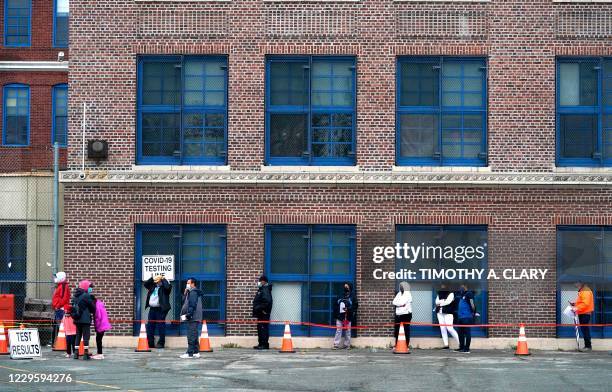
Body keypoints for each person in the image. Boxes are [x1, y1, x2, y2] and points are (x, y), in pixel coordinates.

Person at [144, 275, 172, 349]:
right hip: (152, 309)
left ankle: (161, 343)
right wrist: (152, 278)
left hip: (161, 309)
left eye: (158, 281)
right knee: (150, 326)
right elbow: (145, 284)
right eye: (156, 282)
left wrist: (163, 279)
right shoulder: (153, 287)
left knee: (161, 326)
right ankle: (150, 343)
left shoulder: (164, 289)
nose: (156, 283)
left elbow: (168, 287)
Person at [71, 280, 96, 360]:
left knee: (78, 335)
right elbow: (93, 308)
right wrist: (93, 301)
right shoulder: (86, 296)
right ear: (86, 287)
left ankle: (76, 353)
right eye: (89, 287)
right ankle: (85, 353)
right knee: (86, 336)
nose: (90, 289)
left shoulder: (75, 296)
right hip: (85, 319)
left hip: (77, 319)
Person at [179, 278, 203, 359]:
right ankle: (196, 352)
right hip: (194, 316)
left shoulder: (193, 292)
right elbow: (183, 302)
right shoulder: (190, 292)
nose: (187, 284)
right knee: (194, 334)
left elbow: (192, 305)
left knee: (191, 335)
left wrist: (189, 314)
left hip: (193, 316)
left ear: (193, 284)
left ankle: (190, 353)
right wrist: (185, 293)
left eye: (188, 283)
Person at [333, 282, 358, 350]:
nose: (346, 288)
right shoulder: (340, 295)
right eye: (345, 287)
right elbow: (335, 305)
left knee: (348, 331)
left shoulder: (353, 297)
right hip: (339, 316)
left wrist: (349, 309)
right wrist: (336, 315)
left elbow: (355, 306)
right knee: (338, 330)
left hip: (348, 317)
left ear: (350, 287)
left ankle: (347, 345)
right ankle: (336, 344)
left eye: (347, 287)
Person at [570, 281, 594, 351]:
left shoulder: (585, 291)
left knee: (585, 330)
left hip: (585, 313)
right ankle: (587, 346)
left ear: (580, 283)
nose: (574, 284)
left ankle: (588, 346)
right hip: (583, 313)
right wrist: (574, 304)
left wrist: (576, 308)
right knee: (584, 330)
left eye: (575, 283)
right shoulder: (583, 290)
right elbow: (582, 302)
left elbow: (585, 304)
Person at [435, 283, 459, 349]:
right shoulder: (439, 293)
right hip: (439, 313)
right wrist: (442, 301)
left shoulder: (451, 293)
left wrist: (440, 303)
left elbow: (448, 302)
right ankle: (446, 345)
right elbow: (436, 302)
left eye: (443, 285)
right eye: (441, 285)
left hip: (448, 313)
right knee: (442, 329)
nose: (442, 287)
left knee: (450, 328)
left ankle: (460, 343)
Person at [455, 284, 478, 353]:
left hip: (467, 317)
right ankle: (461, 347)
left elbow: (472, 304)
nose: (461, 288)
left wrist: (473, 312)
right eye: (460, 286)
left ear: (466, 286)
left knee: (467, 332)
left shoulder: (469, 294)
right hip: (460, 317)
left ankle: (467, 348)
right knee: (460, 333)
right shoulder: (462, 295)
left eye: (462, 286)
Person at [252, 275, 273, 350]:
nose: (259, 282)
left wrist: (259, 308)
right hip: (261, 313)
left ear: (263, 281)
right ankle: (261, 343)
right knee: (261, 328)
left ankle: (264, 344)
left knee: (263, 328)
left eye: (260, 281)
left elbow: (267, 301)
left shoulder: (265, 289)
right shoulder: (262, 289)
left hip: (263, 313)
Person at [51, 272, 71, 346]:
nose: (55, 278)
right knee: (57, 326)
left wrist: (57, 306)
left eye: (56, 277)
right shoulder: (61, 286)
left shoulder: (63, 286)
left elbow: (64, 299)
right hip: (59, 309)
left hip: (61, 309)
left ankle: (61, 344)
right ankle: (57, 343)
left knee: (60, 327)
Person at [392, 281, 412, 345]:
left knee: (406, 330)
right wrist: (400, 304)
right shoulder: (399, 293)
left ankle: (406, 345)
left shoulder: (408, 294)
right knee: (397, 330)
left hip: (406, 314)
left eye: (402, 286)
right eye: (400, 286)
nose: (400, 287)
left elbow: (402, 302)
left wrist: (399, 304)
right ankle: (397, 344)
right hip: (398, 314)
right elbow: (394, 302)